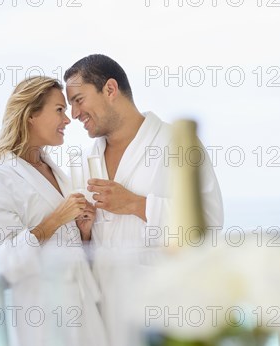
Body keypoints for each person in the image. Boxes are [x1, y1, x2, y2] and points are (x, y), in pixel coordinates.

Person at [0, 76, 111, 346]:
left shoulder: (51, 169)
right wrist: (54, 221)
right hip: (44, 326)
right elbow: (0, 263)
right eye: (59, 109)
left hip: (84, 316)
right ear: (31, 114)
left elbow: (65, 245)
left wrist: (82, 231)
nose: (67, 119)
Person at [64, 53, 224, 249]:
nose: (74, 114)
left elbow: (210, 224)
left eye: (78, 100)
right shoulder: (84, 161)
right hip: (103, 280)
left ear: (110, 89)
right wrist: (85, 234)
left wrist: (135, 204)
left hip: (160, 280)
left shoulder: (177, 145)